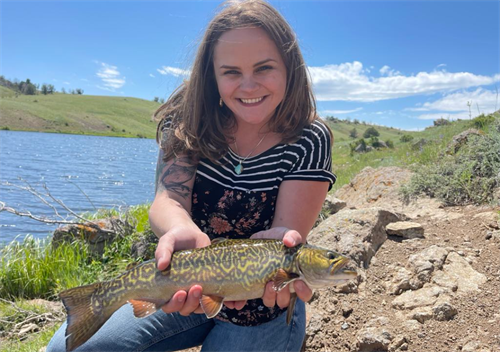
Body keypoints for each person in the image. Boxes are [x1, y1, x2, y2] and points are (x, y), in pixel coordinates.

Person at [47, 0, 335, 351]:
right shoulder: (186, 118)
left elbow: (288, 238)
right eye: (231, 72)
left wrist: (285, 256)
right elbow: (168, 198)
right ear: (211, 75)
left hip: (263, 306)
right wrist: (179, 228)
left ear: (290, 67)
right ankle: (93, 303)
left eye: (264, 68)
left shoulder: (310, 138)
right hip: (182, 282)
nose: (248, 86)